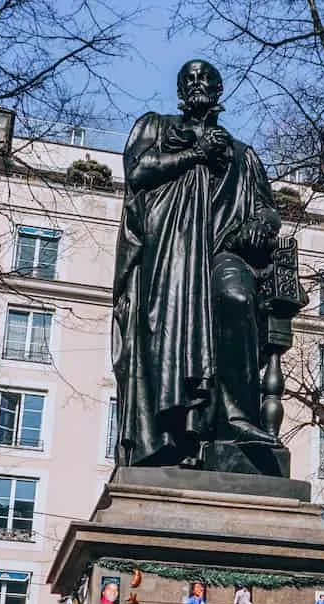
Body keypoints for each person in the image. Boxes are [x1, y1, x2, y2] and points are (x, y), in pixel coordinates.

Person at [112, 59, 283, 470]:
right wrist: (194, 154)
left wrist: (261, 224)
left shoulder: (244, 155)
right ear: (179, 89)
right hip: (170, 258)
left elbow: (268, 210)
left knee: (236, 295)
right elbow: (138, 173)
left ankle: (238, 417)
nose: (196, 83)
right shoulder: (156, 127)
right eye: (188, 78)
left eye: (205, 77)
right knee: (169, 326)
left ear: (219, 87)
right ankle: (177, 434)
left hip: (224, 253)